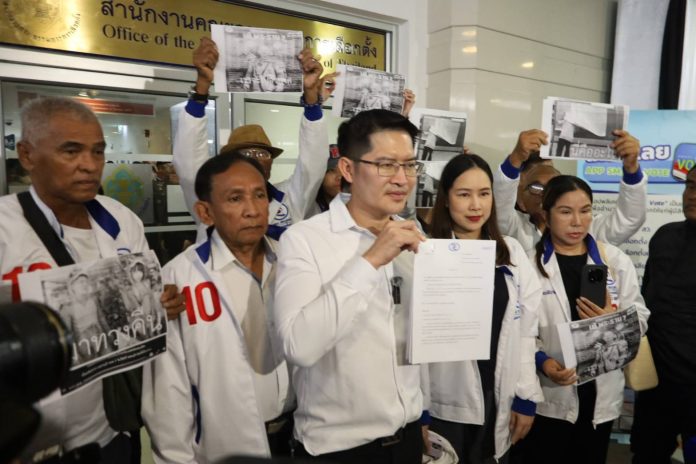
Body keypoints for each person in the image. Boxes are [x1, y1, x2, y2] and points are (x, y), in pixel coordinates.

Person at [2, 96, 184, 462]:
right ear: (27, 154)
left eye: (98, 152)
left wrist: (160, 305)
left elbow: (143, 314)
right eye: (71, 151)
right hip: (27, 444)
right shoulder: (6, 228)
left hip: (110, 431)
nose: (89, 165)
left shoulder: (121, 220)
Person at [273, 109, 426, 463]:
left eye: (409, 165)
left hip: (407, 438)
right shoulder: (305, 239)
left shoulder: (415, 236)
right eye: (386, 165)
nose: (401, 179)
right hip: (339, 449)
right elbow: (298, 345)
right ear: (347, 169)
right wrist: (370, 261)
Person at [142, 153, 294, 462]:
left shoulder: (293, 262)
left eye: (260, 195)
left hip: (298, 435)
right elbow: (168, 390)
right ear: (206, 212)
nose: (253, 210)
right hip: (225, 446)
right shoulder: (179, 279)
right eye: (235, 199)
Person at [422, 154, 543, 464]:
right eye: (464, 194)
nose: (476, 205)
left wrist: (526, 396)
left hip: (498, 393)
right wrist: (419, 408)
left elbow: (526, 332)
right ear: (446, 198)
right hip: (444, 400)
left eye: (484, 193)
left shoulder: (512, 253)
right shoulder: (425, 253)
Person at [520, 175, 649, 464]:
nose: (578, 222)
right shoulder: (528, 265)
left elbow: (641, 318)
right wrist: (543, 362)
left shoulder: (614, 260)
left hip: (600, 398)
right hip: (549, 395)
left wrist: (613, 321)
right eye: (566, 212)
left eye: (586, 210)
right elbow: (519, 332)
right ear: (546, 214)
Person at [175, 37, 329, 243]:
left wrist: (312, 101)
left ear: (271, 163)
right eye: (247, 153)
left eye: (263, 153)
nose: (256, 159)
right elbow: (189, 163)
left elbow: (313, 164)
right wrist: (201, 88)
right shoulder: (213, 198)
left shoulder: (289, 198)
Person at [631, 165, 696, 464]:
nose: (692, 195)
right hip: (656, 382)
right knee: (647, 455)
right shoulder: (665, 236)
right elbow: (647, 304)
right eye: (690, 186)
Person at [494, 128, 648, 252]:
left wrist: (631, 168)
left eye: (555, 186)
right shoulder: (516, 230)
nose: (547, 194)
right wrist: (516, 158)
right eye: (536, 188)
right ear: (521, 201)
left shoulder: (587, 228)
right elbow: (500, 207)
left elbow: (629, 219)